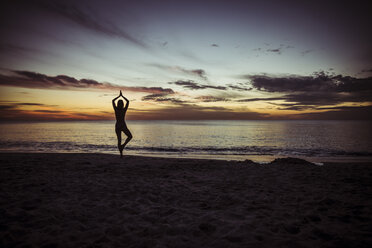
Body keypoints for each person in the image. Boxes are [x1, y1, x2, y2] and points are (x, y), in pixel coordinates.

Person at [112, 90, 132, 158]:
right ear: (122, 104)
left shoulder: (116, 109)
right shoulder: (123, 110)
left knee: (119, 140)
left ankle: (121, 154)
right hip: (122, 125)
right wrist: (122, 96)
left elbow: (113, 101)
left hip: (118, 126)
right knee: (129, 136)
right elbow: (128, 101)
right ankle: (123, 146)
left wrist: (119, 96)